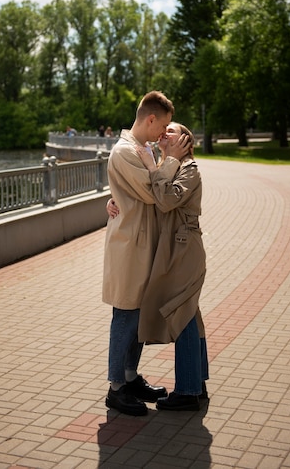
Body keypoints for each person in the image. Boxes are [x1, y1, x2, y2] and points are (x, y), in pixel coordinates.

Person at [108, 122, 209, 411]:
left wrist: (167, 163)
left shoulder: (188, 169)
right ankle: (195, 384)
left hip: (183, 249)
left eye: (173, 131)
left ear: (186, 141)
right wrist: (114, 200)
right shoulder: (164, 163)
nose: (165, 132)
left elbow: (164, 200)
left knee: (184, 312)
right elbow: (146, 193)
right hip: (171, 250)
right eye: (164, 128)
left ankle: (189, 391)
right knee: (188, 313)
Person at [103, 91, 190, 417]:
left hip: (144, 244)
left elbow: (146, 190)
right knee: (125, 316)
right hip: (129, 247)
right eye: (164, 125)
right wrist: (172, 160)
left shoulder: (144, 150)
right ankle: (115, 388)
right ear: (150, 118)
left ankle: (129, 377)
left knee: (138, 316)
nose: (164, 133)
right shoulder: (124, 151)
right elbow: (154, 192)